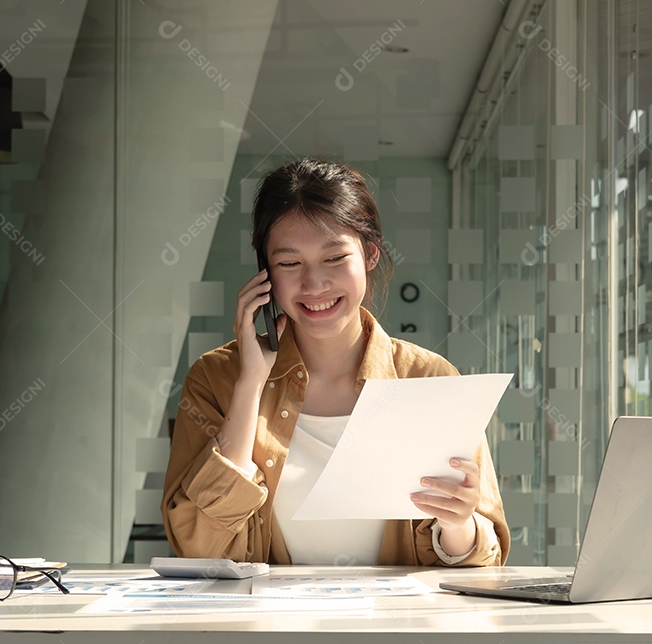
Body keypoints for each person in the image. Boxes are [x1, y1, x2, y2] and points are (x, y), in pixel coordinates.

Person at [162, 158, 509, 566]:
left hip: (395, 629)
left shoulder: (428, 378)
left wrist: (458, 524)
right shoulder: (215, 379)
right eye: (289, 263)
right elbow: (199, 551)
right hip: (266, 630)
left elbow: (484, 564)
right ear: (265, 274)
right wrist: (250, 383)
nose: (314, 284)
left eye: (334, 258)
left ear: (370, 254)